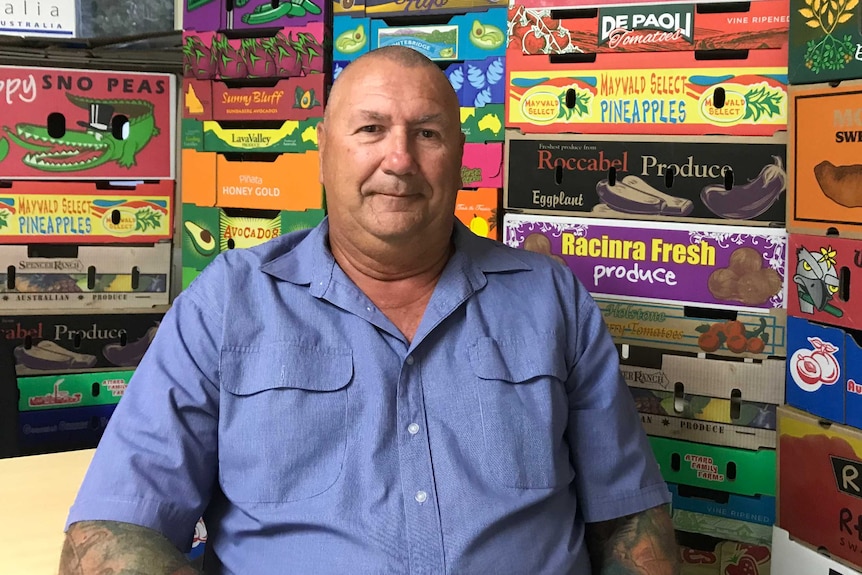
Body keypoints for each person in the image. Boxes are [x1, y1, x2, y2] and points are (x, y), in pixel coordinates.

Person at [60, 46, 679, 575]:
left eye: (427, 133)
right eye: (370, 129)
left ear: (461, 158)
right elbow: (114, 531)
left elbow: (629, 523)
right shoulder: (227, 303)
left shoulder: (551, 299)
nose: (401, 159)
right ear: (323, 154)